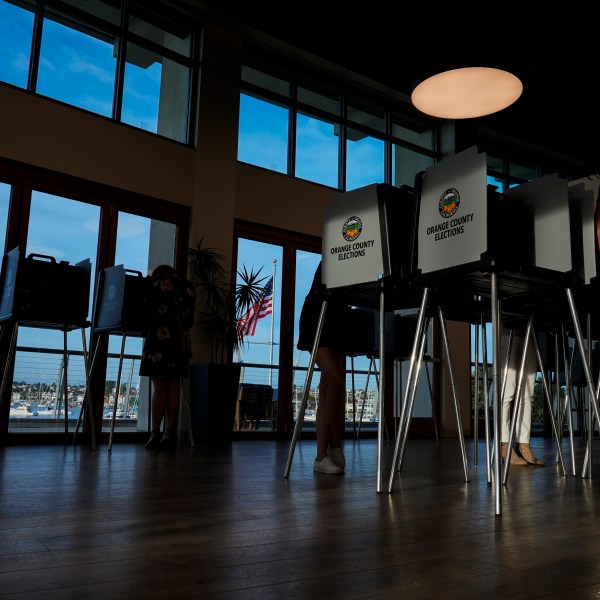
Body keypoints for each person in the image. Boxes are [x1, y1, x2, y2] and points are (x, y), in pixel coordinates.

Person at [297, 261, 349, 475]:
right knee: (335, 379)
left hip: (338, 317)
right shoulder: (336, 254)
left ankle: (321, 456)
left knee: (329, 384)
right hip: (318, 313)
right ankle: (334, 442)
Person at [139, 264, 196, 450]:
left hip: (158, 339)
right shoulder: (188, 287)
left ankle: (155, 433)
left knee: (159, 386)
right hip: (179, 342)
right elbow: (190, 320)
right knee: (173, 386)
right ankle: (170, 433)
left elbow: (145, 312)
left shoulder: (154, 284)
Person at [500, 325, 545, 466]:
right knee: (506, 393)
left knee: (528, 394)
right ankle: (504, 444)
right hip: (507, 330)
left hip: (530, 332)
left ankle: (524, 443)